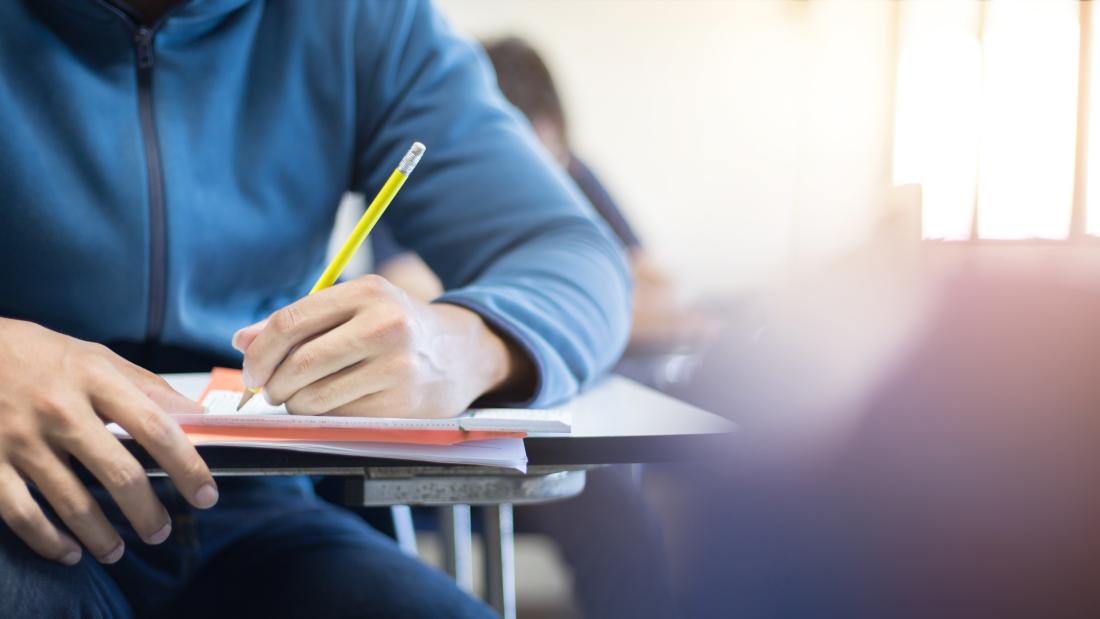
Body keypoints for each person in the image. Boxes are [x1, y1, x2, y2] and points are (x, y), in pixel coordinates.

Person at [0, 2, 630, 618]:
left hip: (255, 505)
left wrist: (460, 345)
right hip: (17, 498)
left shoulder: (361, 18)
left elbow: (578, 260)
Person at [370, 36, 684, 619]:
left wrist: (542, 318)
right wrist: (560, 319)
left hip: (552, 432)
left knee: (617, 515)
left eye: (553, 163)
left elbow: (660, 296)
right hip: (445, 441)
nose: (542, 184)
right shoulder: (431, 170)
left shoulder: (571, 176)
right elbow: (403, 302)